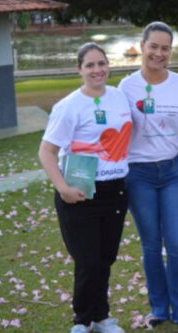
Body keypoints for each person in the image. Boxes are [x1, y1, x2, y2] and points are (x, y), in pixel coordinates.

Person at [38, 43, 131, 333]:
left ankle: (101, 318)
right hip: (80, 193)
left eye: (101, 63)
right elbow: (46, 152)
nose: (97, 70)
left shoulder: (119, 98)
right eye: (90, 65)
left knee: (105, 259)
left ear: (108, 66)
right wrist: (63, 188)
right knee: (87, 261)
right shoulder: (68, 106)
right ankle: (82, 320)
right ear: (79, 69)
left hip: (115, 191)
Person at [117, 22, 178, 329]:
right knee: (151, 245)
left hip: (172, 171)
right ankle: (158, 310)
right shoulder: (125, 87)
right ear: (142, 46)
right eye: (153, 46)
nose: (159, 53)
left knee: (177, 244)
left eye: (165, 48)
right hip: (138, 173)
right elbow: (114, 128)